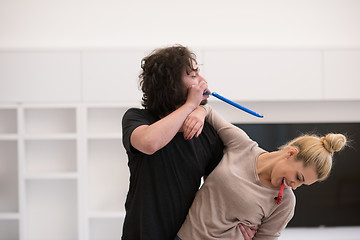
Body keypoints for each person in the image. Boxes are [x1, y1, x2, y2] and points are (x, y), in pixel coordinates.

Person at [177, 104, 347, 240]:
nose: (295, 186)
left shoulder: (286, 202)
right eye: (298, 177)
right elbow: (209, 111)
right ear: (291, 153)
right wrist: (199, 112)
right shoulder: (242, 146)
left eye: (303, 184)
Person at [121, 45, 226, 239]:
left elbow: (223, 188)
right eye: (193, 76)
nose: (203, 82)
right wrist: (190, 106)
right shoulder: (137, 118)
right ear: (170, 84)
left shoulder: (208, 132)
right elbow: (150, 143)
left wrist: (243, 222)